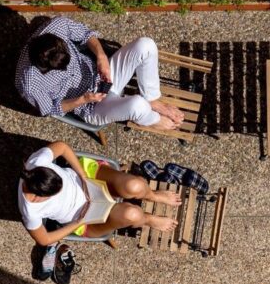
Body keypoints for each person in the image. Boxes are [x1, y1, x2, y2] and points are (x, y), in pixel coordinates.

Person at [15, 16, 184, 131]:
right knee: (137, 105)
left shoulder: (57, 26)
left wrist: (101, 56)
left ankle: (152, 97)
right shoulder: (29, 84)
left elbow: (86, 34)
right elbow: (51, 109)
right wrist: (84, 99)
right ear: (43, 68)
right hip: (91, 106)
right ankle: (152, 120)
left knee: (145, 45)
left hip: (102, 74)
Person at [19, 141, 181, 248]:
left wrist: (81, 175)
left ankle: (152, 195)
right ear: (40, 196)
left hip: (89, 180)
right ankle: (148, 219)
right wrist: (77, 222)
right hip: (85, 219)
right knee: (132, 214)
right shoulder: (30, 211)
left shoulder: (37, 163)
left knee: (135, 185)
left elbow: (61, 147)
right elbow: (44, 240)